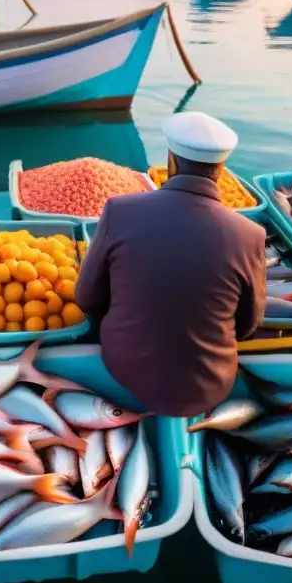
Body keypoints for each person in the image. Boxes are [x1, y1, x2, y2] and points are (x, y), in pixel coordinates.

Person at [75, 112, 268, 418]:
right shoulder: (250, 235)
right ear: (220, 170)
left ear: (171, 162)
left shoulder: (120, 211)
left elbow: (87, 300)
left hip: (125, 370)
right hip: (210, 386)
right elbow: (246, 328)